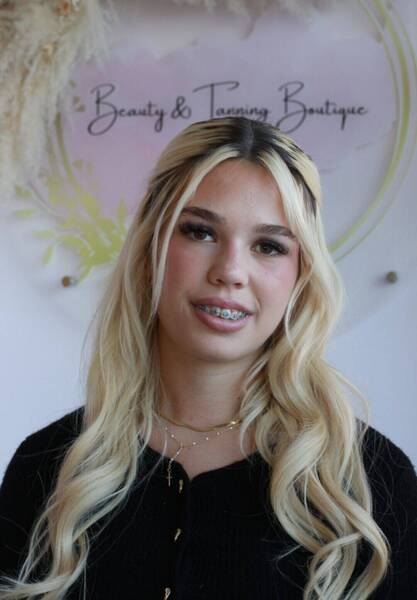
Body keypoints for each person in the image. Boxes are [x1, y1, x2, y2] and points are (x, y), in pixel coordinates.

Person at [0, 117, 416, 600]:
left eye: (269, 246)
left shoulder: (368, 485)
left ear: (301, 275)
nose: (231, 271)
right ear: (151, 247)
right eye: (200, 232)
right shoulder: (47, 466)